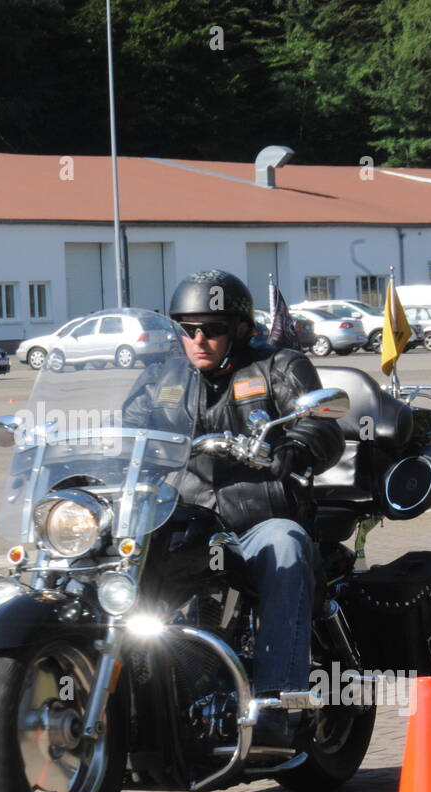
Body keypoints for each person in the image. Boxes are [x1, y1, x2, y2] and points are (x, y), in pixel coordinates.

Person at [125, 269, 344, 749]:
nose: (199, 339)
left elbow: (323, 427)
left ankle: (276, 702)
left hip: (255, 521)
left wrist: (298, 446)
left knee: (285, 545)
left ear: (242, 329)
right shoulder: (162, 375)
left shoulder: (279, 366)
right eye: (188, 328)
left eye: (214, 328)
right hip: (181, 517)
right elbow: (125, 430)